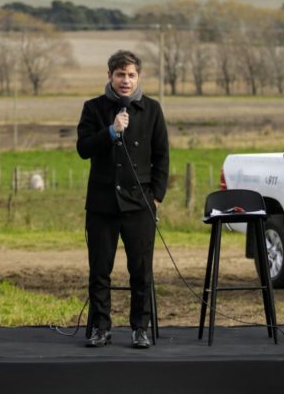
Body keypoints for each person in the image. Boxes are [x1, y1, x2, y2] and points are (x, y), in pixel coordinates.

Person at [76, 50, 169, 349]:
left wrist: (156, 197)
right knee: (100, 270)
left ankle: (140, 327)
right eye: (120, 75)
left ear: (138, 77)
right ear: (109, 76)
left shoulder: (152, 109)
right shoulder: (93, 108)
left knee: (141, 270)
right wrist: (111, 131)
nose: (125, 81)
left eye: (131, 75)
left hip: (140, 202)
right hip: (103, 203)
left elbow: (162, 156)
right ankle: (101, 327)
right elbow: (83, 148)